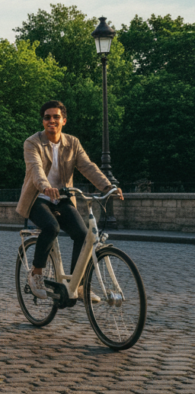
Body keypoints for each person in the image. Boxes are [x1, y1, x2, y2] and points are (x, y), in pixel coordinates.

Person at [16, 100, 123, 300]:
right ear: (43, 121)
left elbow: (87, 166)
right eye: (47, 117)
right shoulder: (32, 143)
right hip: (37, 198)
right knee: (51, 227)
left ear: (64, 120)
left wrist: (107, 186)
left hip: (63, 198)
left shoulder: (72, 143)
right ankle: (36, 274)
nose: (51, 121)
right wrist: (45, 186)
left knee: (83, 234)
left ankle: (77, 285)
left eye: (56, 117)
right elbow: (35, 167)